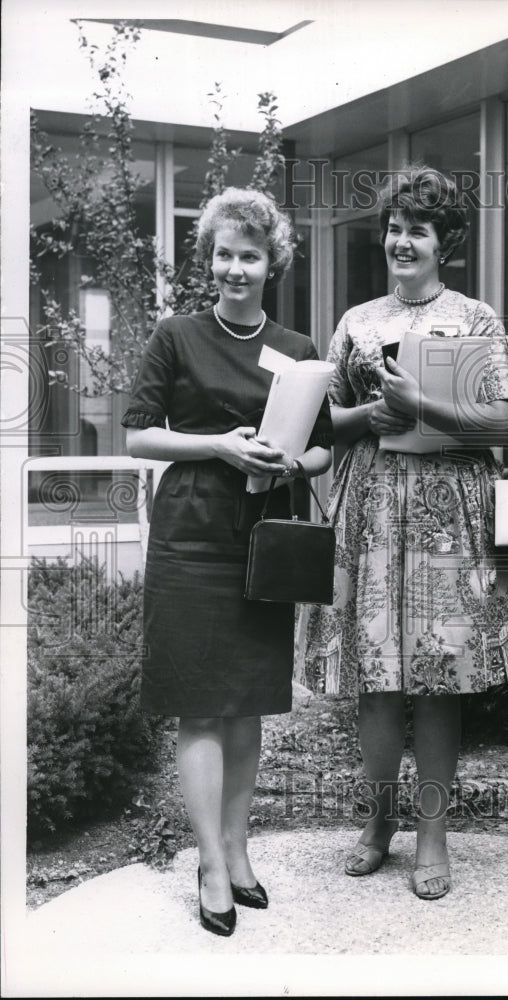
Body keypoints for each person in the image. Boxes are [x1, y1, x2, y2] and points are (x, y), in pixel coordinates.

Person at [304, 165, 508, 900]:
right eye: (394, 229)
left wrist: (425, 405)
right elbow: (320, 421)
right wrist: (371, 416)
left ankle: (431, 832)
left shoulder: (476, 319)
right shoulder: (357, 322)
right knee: (374, 681)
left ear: (445, 243)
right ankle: (377, 822)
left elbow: (501, 422)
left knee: (436, 681)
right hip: (370, 513)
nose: (402, 242)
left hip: (445, 516)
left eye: (418, 231)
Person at [123, 188, 332, 936]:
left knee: (248, 703)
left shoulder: (300, 350)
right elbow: (138, 436)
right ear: (209, 260)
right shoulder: (177, 335)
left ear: (271, 262)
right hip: (190, 535)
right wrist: (216, 443)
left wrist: (290, 466)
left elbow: (322, 444)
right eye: (223, 254)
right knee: (200, 700)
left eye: (249, 255)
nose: (235, 268)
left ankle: (240, 850)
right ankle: (209, 861)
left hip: (263, 534)